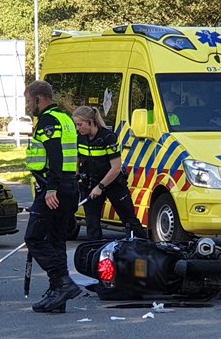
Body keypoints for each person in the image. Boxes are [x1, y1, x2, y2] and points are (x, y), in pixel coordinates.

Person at [24, 80, 82, 313]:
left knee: (34, 237)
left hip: (54, 187)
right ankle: (58, 295)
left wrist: (50, 188)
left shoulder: (48, 120)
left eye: (28, 100)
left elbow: (56, 155)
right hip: (67, 186)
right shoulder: (65, 118)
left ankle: (62, 283)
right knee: (56, 240)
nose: (27, 106)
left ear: (39, 99)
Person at [72, 106, 146, 240]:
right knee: (92, 224)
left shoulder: (108, 137)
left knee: (129, 220)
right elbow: (77, 163)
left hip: (113, 183)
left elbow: (116, 168)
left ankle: (143, 251)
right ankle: (95, 255)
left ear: (90, 122)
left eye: (80, 124)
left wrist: (100, 187)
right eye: (76, 125)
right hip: (90, 183)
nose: (78, 128)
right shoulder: (80, 138)